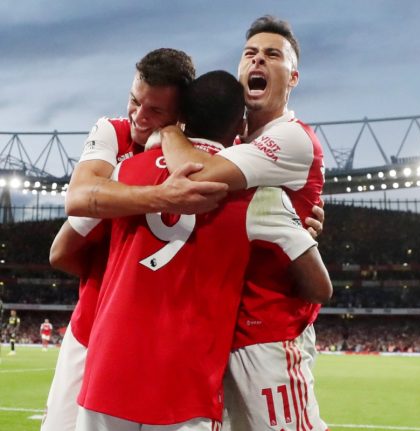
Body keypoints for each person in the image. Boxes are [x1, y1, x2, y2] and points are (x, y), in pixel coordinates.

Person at [72, 70, 331, 430]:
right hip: (186, 387)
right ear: (240, 127)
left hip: (108, 374)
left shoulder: (124, 172)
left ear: (182, 118)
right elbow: (320, 287)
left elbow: (61, 251)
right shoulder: (258, 195)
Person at [160, 16, 329, 430]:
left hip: (269, 334)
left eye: (273, 55)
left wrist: (168, 131)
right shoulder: (234, 143)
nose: (258, 60)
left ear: (293, 77)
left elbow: (195, 175)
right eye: (250, 53)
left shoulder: (291, 137)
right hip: (220, 331)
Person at [42, 48, 214, 431]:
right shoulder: (113, 131)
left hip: (165, 338)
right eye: (135, 100)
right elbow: (78, 198)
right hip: (94, 328)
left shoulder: (202, 155)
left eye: (155, 111)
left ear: (181, 115)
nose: (138, 116)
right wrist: (161, 197)